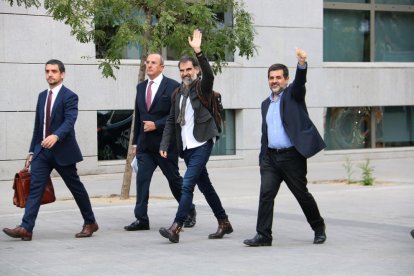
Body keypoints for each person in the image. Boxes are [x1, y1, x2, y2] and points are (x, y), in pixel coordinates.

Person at [3, 59, 98, 241]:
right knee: (35, 188)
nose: (50, 74)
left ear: (62, 74)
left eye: (54, 71)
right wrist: (32, 151)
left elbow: (70, 121)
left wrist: (56, 136)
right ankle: (26, 228)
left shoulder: (70, 96)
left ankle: (90, 222)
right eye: (47, 71)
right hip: (42, 152)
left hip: (63, 151)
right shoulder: (41, 96)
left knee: (75, 188)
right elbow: (38, 126)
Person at [244, 49, 327, 247]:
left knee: (301, 195)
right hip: (271, 158)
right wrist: (262, 159)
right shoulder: (265, 104)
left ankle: (318, 227)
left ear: (286, 80)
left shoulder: (293, 95)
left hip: (292, 158)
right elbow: (266, 133)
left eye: (279, 78)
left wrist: (301, 64)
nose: (274, 81)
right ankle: (263, 235)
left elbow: (300, 84)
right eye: (271, 78)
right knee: (266, 195)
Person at [158, 29, 233, 243]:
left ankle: (176, 227)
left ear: (196, 70)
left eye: (189, 69)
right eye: (182, 70)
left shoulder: (202, 87)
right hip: (187, 147)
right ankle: (224, 222)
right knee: (205, 186)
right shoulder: (177, 94)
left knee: (187, 183)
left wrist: (198, 51)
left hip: (202, 142)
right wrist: (164, 144)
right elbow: (172, 123)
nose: (185, 73)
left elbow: (210, 74)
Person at [124, 53, 196, 231]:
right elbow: (138, 116)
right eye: (147, 62)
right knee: (142, 181)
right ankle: (141, 219)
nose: (149, 65)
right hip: (145, 147)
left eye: (153, 63)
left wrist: (156, 124)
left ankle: (189, 210)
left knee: (173, 180)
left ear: (162, 67)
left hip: (165, 146)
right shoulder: (140, 88)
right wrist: (135, 143)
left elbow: (178, 114)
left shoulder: (172, 86)